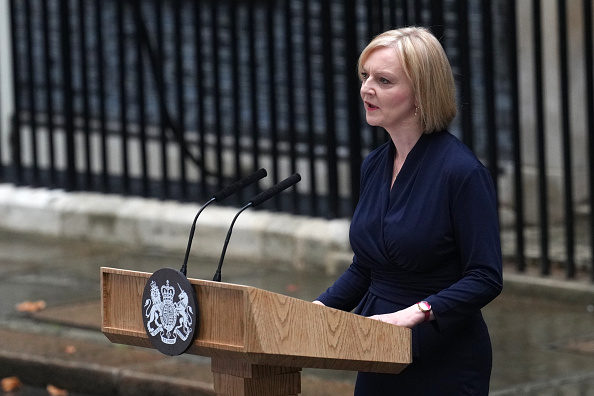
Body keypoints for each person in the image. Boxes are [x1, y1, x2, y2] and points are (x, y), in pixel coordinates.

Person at [314, 27, 503, 395]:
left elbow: (485, 276)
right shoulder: (375, 165)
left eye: (384, 80)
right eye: (365, 76)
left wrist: (417, 312)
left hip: (443, 352)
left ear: (421, 95)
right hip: (378, 348)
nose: (367, 88)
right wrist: (316, 311)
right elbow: (367, 267)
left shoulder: (461, 172)